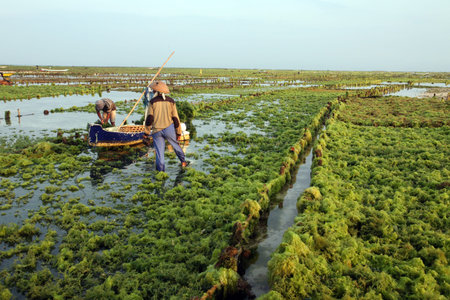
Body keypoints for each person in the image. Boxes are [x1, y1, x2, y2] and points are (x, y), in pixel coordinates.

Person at [143, 81, 189, 171]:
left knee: (159, 153)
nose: (152, 92)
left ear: (155, 92)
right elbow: (175, 118)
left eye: (153, 91)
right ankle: (183, 162)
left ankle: (161, 172)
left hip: (156, 131)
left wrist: (146, 133)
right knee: (175, 145)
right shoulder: (171, 101)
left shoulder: (152, 102)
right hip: (169, 128)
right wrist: (179, 132)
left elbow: (149, 118)